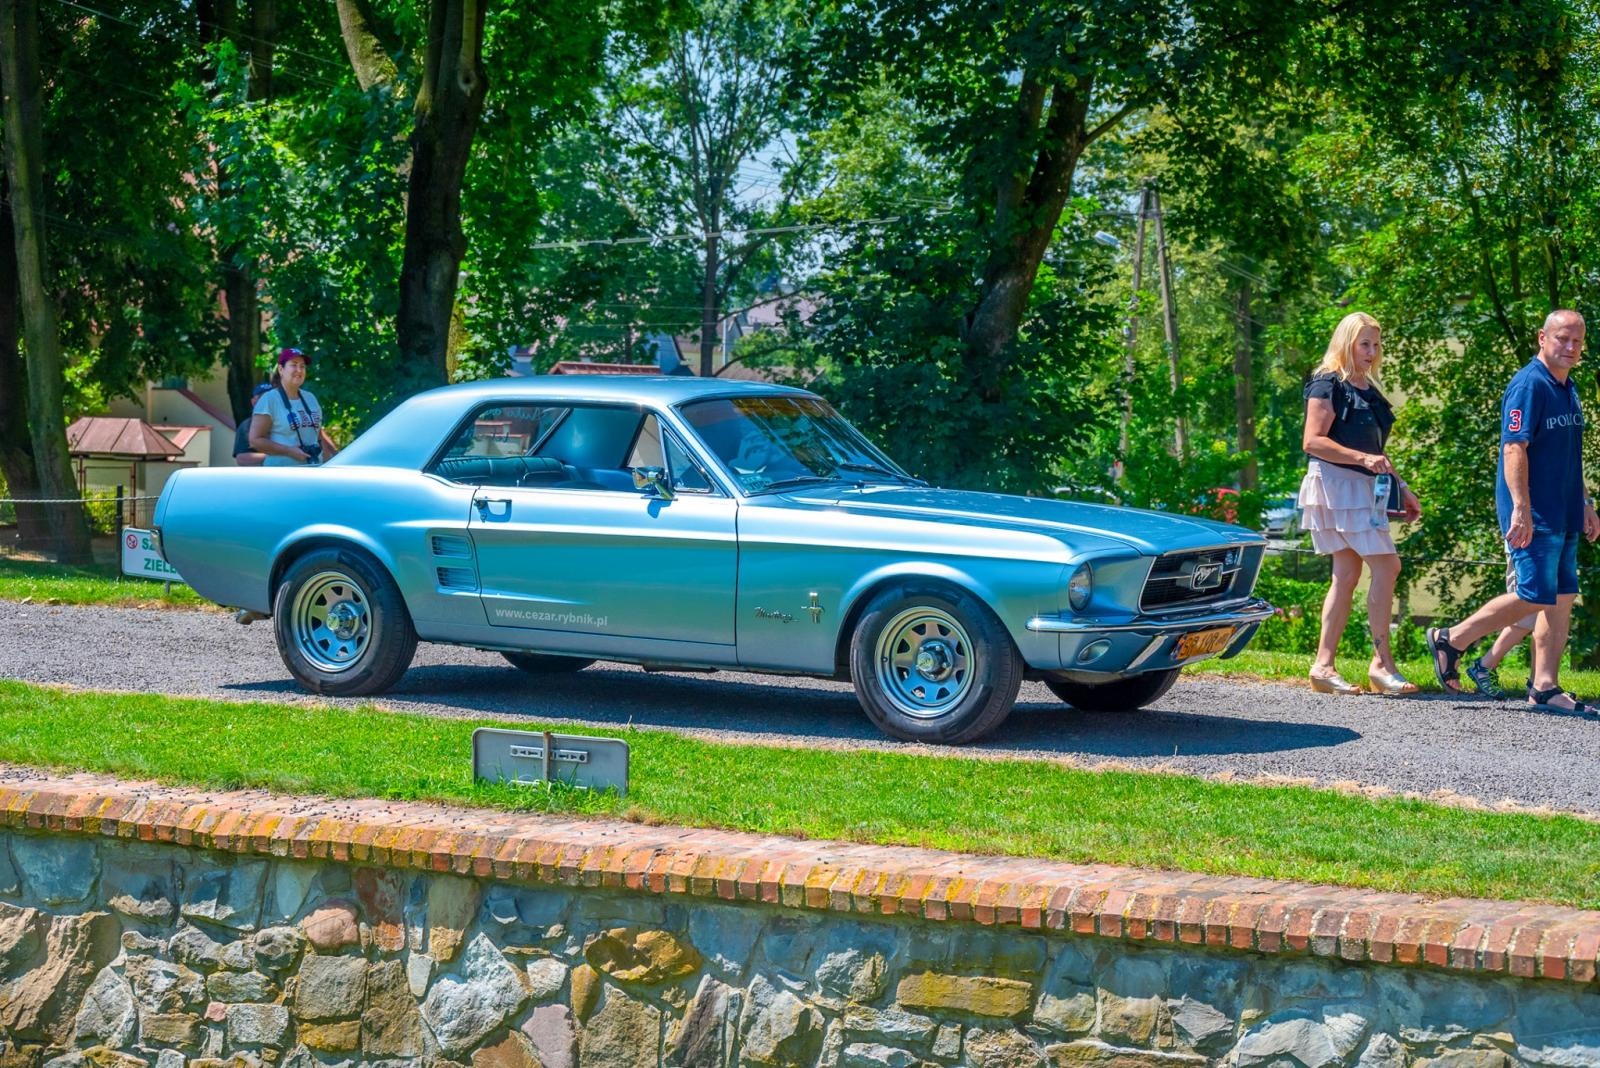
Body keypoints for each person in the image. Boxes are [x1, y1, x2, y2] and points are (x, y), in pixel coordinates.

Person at [1427, 309, 1600, 713]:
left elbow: (1570, 457)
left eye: (1577, 341)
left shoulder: (1568, 387)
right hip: (1534, 512)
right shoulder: (1529, 385)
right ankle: (1451, 638)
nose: (1570, 347)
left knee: (1561, 596)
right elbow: (1513, 448)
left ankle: (1544, 686)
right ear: (1542, 338)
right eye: (1562, 338)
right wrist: (1520, 508)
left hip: (1565, 511)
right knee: (1533, 594)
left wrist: (1587, 503)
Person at [1297, 312, 1423, 695]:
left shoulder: (1367, 387)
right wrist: (1363, 460)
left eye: (1376, 344)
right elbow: (1312, 441)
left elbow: (1376, 451)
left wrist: (1402, 486)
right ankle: (1381, 666)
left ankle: (1323, 667)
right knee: (1388, 565)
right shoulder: (1327, 383)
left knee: (1347, 573)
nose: (1372, 352)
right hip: (1337, 486)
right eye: (1364, 344)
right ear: (1347, 343)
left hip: (1362, 488)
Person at [248, 347, 335, 467]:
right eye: (294, 365)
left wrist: (327, 463)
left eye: (302, 366)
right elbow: (255, 440)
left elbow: (317, 434)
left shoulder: (310, 398)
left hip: (312, 471)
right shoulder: (269, 400)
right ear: (281, 369)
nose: (299, 370)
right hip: (282, 475)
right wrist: (289, 451)